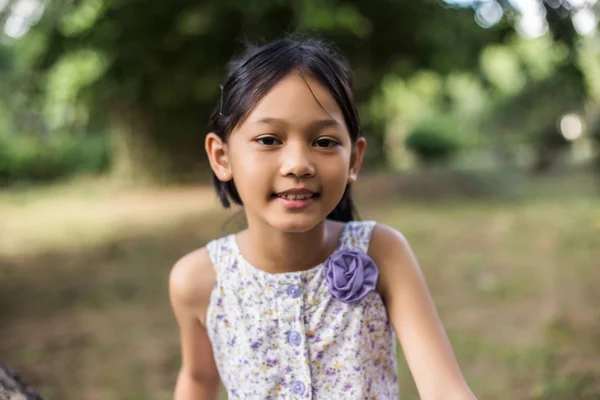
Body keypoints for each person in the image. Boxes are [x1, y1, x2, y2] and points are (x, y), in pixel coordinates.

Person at [169, 36, 476, 400]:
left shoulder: (383, 252)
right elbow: (198, 379)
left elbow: (444, 388)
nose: (298, 164)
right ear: (222, 157)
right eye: (269, 139)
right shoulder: (198, 281)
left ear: (354, 160)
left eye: (325, 142)